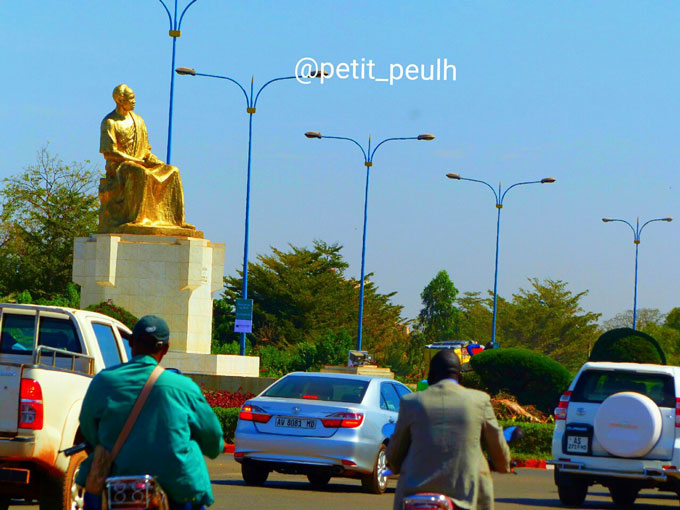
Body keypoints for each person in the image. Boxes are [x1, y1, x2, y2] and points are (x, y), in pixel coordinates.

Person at [77, 315, 224, 509]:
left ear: (131, 343)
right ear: (166, 348)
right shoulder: (183, 387)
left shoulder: (104, 382)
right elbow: (213, 440)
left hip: (115, 486)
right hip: (177, 489)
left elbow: (88, 430)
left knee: (93, 497)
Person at [386, 350, 511, 510]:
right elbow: (496, 444)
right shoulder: (479, 400)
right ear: (460, 377)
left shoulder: (411, 401)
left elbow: (395, 452)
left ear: (430, 376)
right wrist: (503, 464)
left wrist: (394, 465)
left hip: (416, 492)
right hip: (466, 496)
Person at [99, 84, 194, 233]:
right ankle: (138, 218)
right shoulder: (110, 122)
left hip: (141, 162)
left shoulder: (139, 121)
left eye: (134, 98)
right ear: (120, 100)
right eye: (131, 98)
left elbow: (146, 150)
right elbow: (110, 153)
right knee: (141, 173)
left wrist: (156, 162)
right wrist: (134, 160)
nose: (134, 101)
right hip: (119, 166)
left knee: (172, 171)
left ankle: (175, 220)